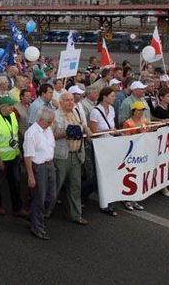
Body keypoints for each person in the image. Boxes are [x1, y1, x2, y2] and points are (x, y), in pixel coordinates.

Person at [0, 95, 28, 217]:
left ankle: (17, 208)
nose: (12, 108)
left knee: (16, 183)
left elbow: (12, 137)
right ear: (3, 107)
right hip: (1, 159)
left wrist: (18, 152)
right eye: (10, 106)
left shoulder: (13, 116)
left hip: (13, 157)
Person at [51, 93, 88, 225]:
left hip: (76, 155)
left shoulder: (76, 111)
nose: (70, 102)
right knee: (56, 185)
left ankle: (76, 215)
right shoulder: (55, 115)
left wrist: (86, 129)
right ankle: (45, 211)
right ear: (60, 102)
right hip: (61, 156)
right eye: (67, 100)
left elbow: (82, 124)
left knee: (75, 186)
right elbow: (49, 135)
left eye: (72, 100)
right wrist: (65, 134)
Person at [24, 107, 56, 240]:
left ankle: (33, 216)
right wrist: (31, 176)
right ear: (42, 120)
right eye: (49, 122)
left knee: (51, 196)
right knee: (39, 198)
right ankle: (37, 227)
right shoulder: (31, 133)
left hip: (50, 165)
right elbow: (28, 157)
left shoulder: (47, 129)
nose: (51, 124)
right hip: (39, 167)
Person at [86, 87, 119, 216]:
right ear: (104, 97)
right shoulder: (95, 112)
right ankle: (83, 193)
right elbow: (93, 132)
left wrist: (114, 131)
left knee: (108, 175)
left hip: (109, 144)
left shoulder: (111, 109)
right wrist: (108, 131)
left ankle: (107, 203)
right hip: (98, 146)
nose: (114, 98)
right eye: (111, 96)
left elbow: (112, 126)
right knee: (96, 177)